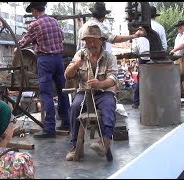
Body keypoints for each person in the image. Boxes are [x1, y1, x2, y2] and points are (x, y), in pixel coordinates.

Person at [64, 24, 118, 161]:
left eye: (93, 40)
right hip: (84, 92)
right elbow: (67, 75)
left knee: (109, 106)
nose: (90, 43)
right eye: (88, 41)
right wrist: (76, 65)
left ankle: (104, 141)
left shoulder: (110, 57)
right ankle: (75, 146)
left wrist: (100, 84)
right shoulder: (80, 54)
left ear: (101, 40)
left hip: (103, 92)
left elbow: (113, 79)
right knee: (75, 107)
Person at [18, 2, 70, 138]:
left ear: (34, 10)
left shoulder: (35, 25)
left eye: (32, 12)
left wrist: (15, 49)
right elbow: (62, 38)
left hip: (45, 60)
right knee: (62, 91)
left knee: (46, 94)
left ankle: (49, 128)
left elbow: (23, 42)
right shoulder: (54, 21)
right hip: (59, 59)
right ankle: (66, 122)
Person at [76, 2, 146, 52]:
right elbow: (114, 39)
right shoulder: (99, 27)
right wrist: (135, 35)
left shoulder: (84, 27)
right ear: (103, 16)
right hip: (89, 62)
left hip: (80, 62)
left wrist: (78, 21)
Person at [131, 36, 150, 109]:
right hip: (153, 59)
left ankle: (136, 103)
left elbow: (135, 50)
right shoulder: (151, 37)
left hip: (143, 59)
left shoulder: (139, 39)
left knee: (140, 82)